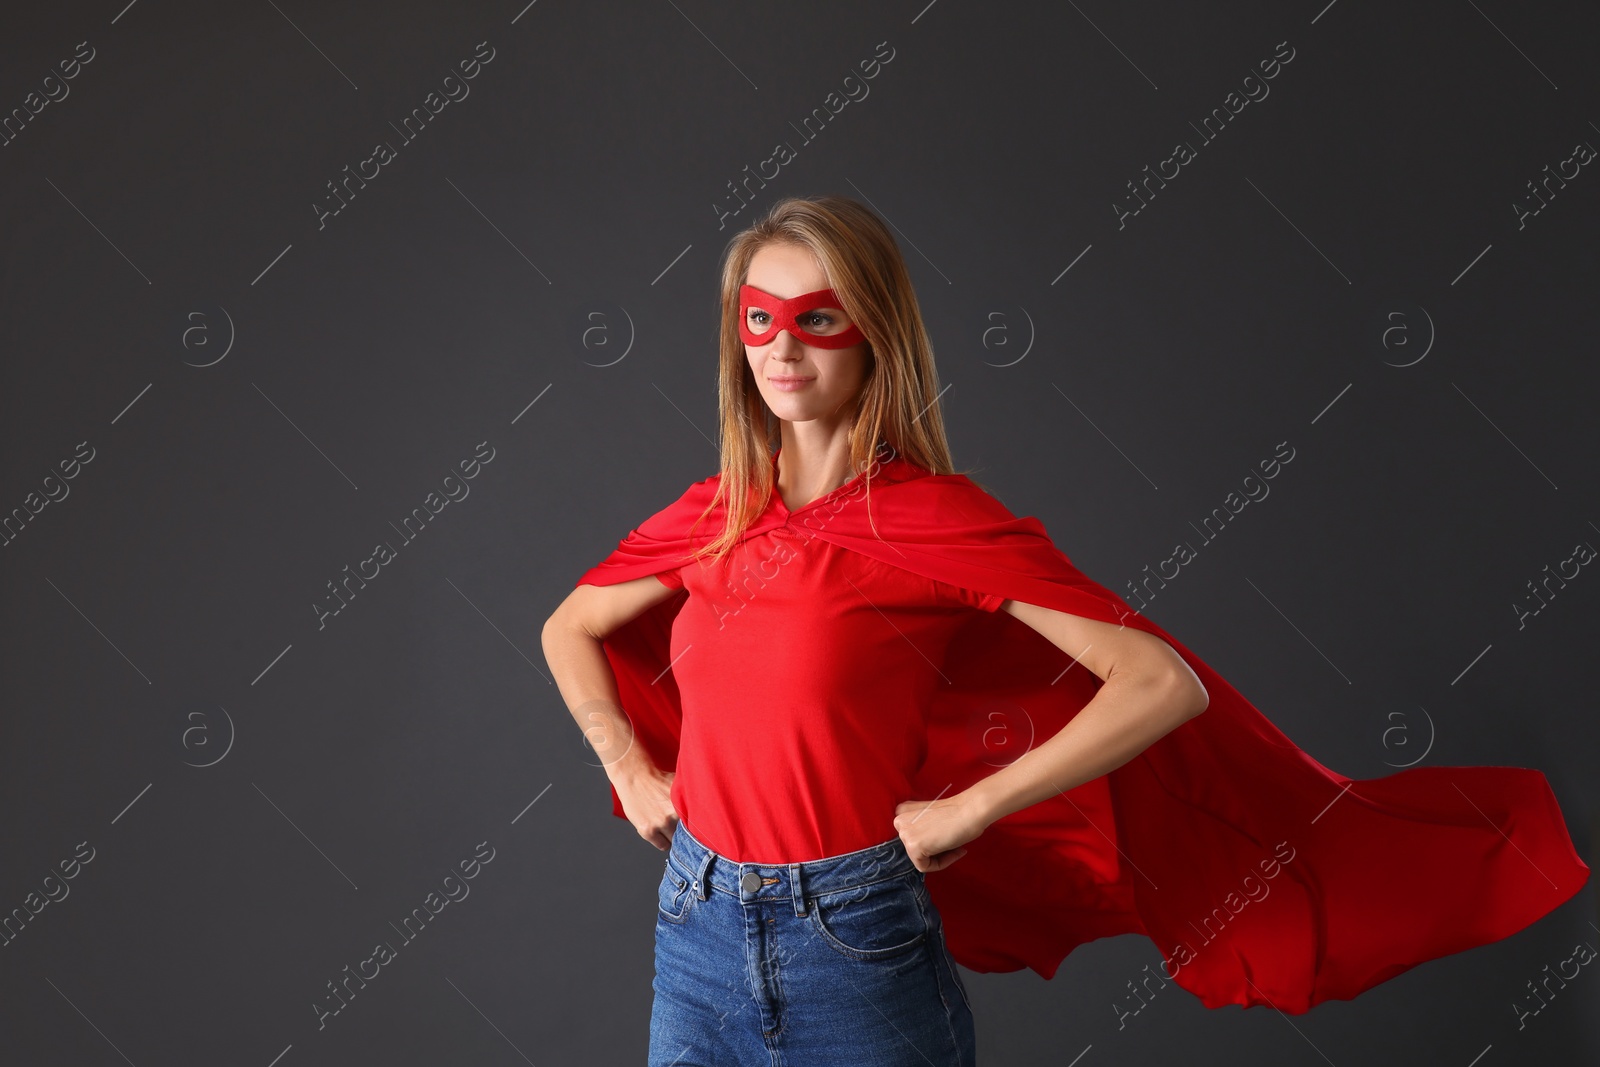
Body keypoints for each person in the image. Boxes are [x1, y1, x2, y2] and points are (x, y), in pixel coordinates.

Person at [541, 196, 1589, 1065]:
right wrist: (626, 763)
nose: (781, 346)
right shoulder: (714, 510)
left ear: (873, 329)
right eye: (758, 318)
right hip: (696, 925)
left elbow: (1158, 680)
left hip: (848, 939)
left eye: (817, 317)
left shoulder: (930, 520)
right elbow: (569, 627)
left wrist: (978, 802)